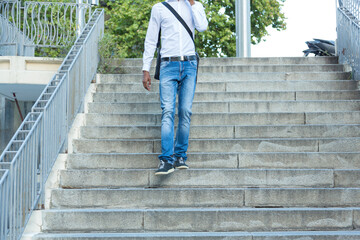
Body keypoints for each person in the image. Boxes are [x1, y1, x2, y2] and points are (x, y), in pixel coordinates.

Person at [142, 0, 208, 175]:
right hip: (167, 65)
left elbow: (202, 27)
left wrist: (193, 3)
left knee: (185, 110)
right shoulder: (159, 8)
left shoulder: (195, 6)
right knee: (168, 111)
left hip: (189, 64)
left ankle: (180, 157)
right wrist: (145, 68)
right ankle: (166, 160)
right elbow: (150, 39)